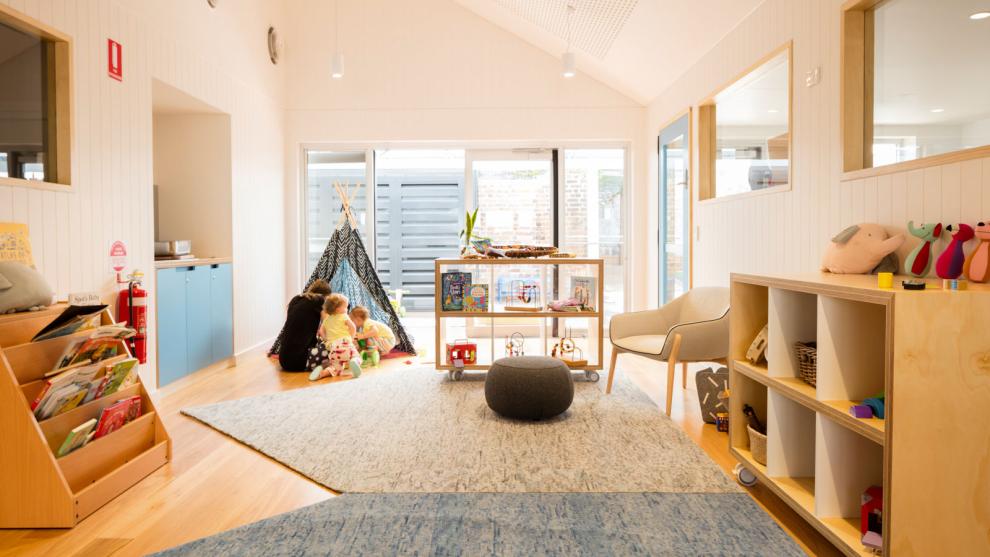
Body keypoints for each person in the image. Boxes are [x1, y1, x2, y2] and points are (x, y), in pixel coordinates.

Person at [276, 280, 331, 372]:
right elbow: (327, 324)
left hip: (284, 360)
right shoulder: (319, 300)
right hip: (299, 362)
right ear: (326, 295)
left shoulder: (296, 299)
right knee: (337, 349)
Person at [308, 293, 363, 381]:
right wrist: (351, 338)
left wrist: (326, 340)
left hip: (333, 348)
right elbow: (353, 327)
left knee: (335, 368)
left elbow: (321, 331)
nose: (346, 309)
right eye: (345, 307)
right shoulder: (344, 316)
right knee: (357, 357)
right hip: (345, 344)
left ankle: (322, 373)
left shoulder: (327, 319)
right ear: (338, 309)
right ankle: (354, 361)